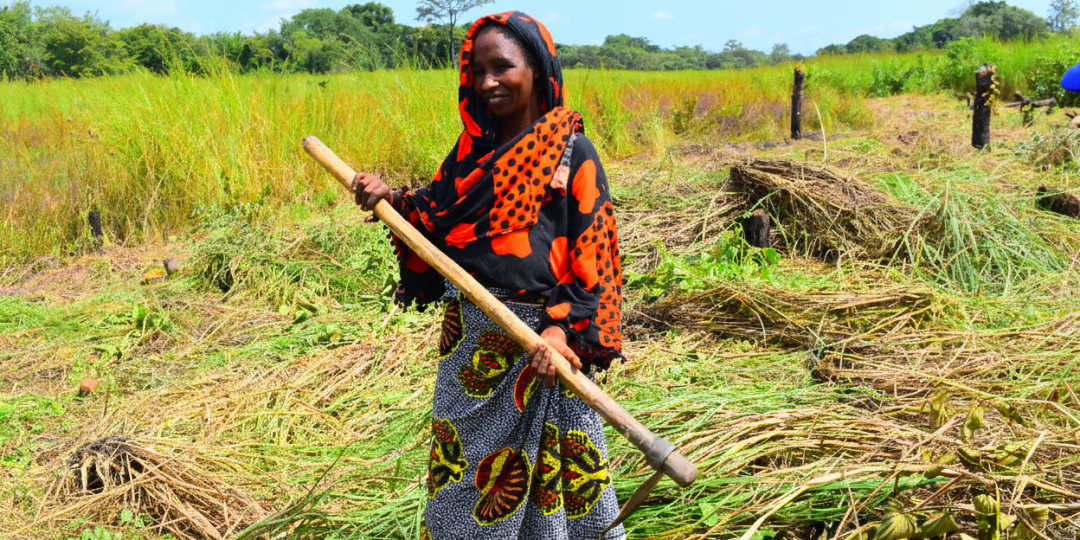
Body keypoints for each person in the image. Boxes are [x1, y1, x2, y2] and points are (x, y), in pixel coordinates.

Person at [352, 11, 625, 540]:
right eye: (477, 71)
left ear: (537, 68)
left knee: (553, 496)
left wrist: (559, 333)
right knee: (464, 488)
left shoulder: (573, 153)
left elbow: (596, 258)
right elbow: (434, 220)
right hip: (471, 349)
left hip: (544, 349)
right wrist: (391, 201)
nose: (487, 82)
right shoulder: (470, 153)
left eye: (502, 67)